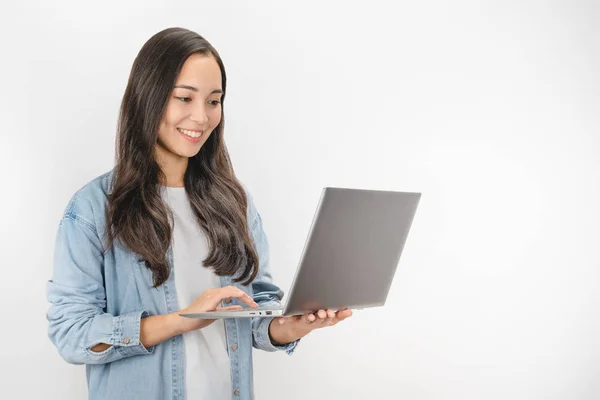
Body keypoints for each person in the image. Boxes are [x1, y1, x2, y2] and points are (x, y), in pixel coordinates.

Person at [46, 27, 352, 400]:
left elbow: (257, 315)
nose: (201, 117)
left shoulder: (234, 202)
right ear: (149, 97)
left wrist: (294, 325)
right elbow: (71, 334)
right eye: (184, 98)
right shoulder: (94, 210)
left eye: (213, 101)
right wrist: (183, 320)